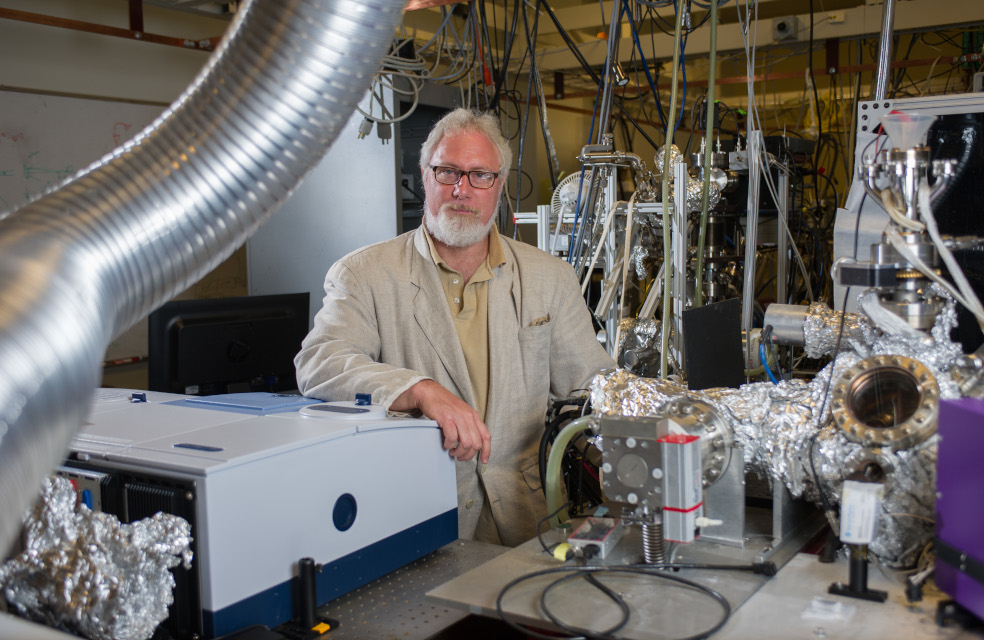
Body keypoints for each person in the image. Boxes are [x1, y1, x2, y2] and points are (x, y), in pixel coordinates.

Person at [295, 108, 614, 546]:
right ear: (425, 176)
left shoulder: (549, 278)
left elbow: (590, 388)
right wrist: (421, 390)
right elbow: (319, 362)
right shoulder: (365, 273)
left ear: (499, 186)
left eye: (479, 175)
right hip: (417, 512)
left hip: (529, 517)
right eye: (448, 172)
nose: (461, 190)